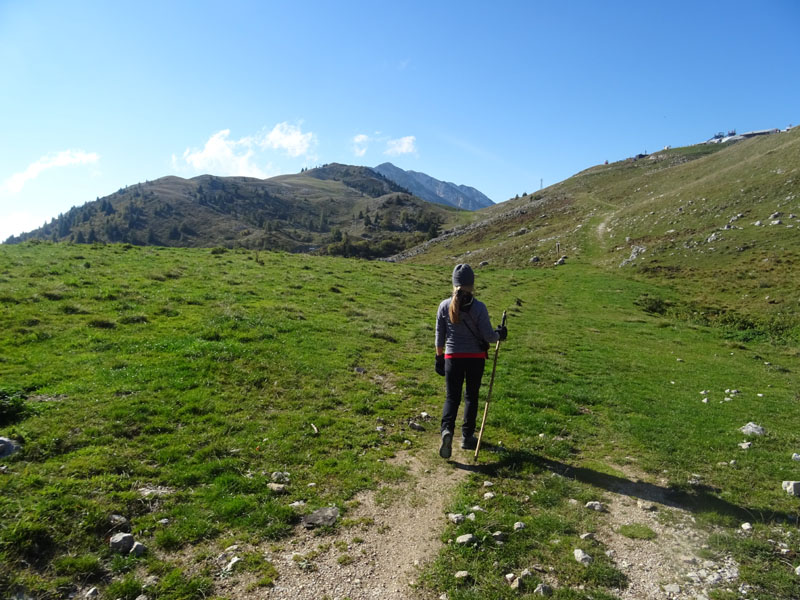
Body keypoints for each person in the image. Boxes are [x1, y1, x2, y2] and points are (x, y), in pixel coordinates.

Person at [435, 264, 507, 458]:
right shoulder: (479, 307)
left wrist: (439, 356)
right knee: (471, 397)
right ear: (472, 284)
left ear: (454, 283)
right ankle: (467, 437)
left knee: (452, 397)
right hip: (475, 359)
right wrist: (500, 334)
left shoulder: (444, 306)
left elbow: (439, 335)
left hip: (452, 358)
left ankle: (446, 431)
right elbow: (489, 337)